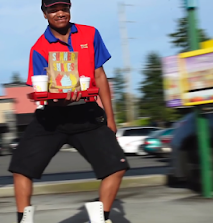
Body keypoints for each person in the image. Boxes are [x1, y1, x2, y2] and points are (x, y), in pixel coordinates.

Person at [8, 1, 130, 222]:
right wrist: (60, 101)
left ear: (70, 9)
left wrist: (111, 118)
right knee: (20, 168)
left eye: (64, 8)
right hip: (51, 117)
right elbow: (40, 90)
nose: (60, 13)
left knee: (116, 167)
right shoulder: (39, 48)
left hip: (87, 113)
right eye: (53, 10)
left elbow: (100, 76)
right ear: (45, 14)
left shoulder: (90, 34)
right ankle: (24, 219)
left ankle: (101, 216)